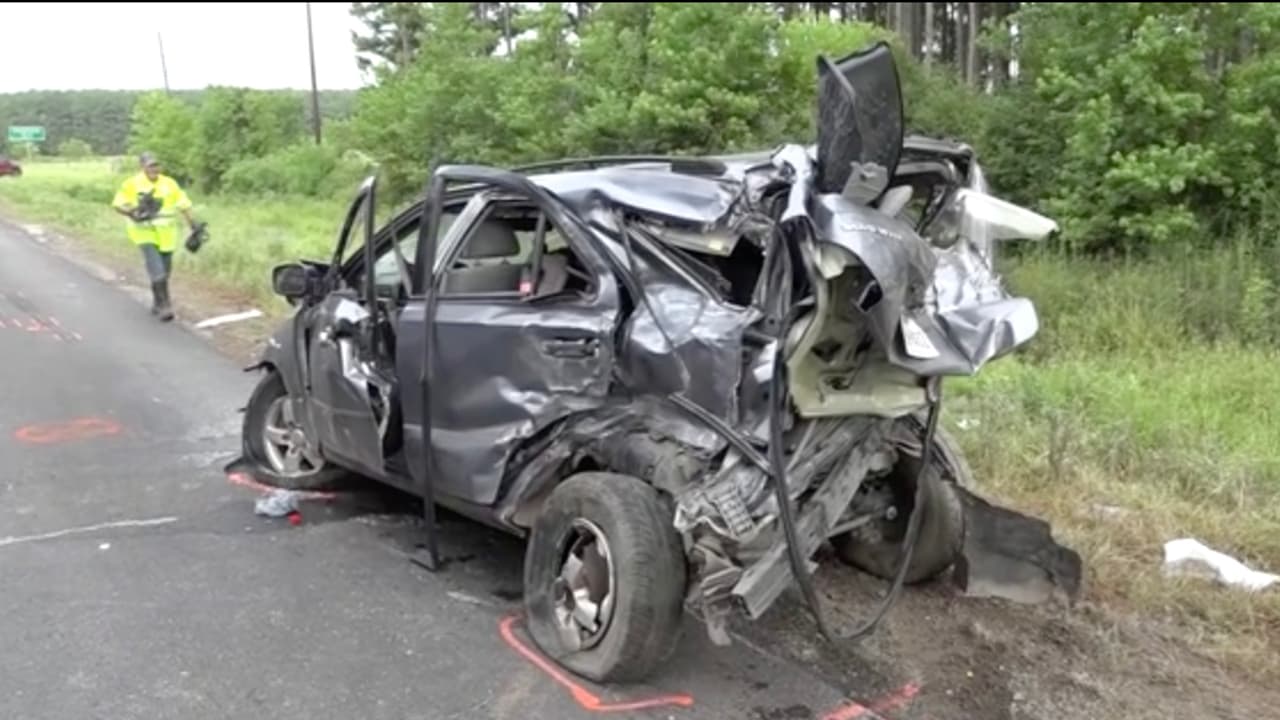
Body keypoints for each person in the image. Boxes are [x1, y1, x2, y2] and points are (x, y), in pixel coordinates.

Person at [111, 152, 198, 321]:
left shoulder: (169, 183)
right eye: (150, 165)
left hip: (167, 234)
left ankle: (157, 303)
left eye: (156, 165)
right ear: (142, 166)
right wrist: (131, 212)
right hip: (143, 232)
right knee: (156, 267)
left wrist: (193, 225)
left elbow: (184, 204)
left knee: (164, 271)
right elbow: (117, 204)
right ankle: (165, 306)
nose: (154, 169)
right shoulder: (132, 184)